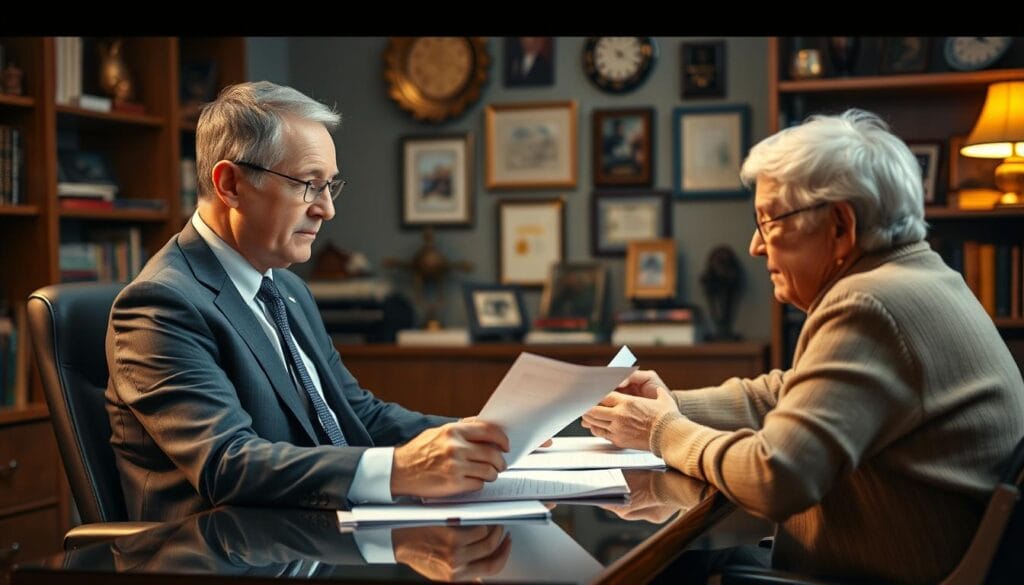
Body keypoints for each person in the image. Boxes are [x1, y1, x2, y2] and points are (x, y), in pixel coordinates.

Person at [582, 109, 1024, 583]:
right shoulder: (920, 278)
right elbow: (790, 394)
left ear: (839, 225)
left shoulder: (870, 304)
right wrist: (673, 405)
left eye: (769, 220)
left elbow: (775, 478)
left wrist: (662, 431)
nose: (755, 245)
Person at [105, 81, 510, 522]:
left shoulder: (286, 288)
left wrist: (481, 438)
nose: (326, 209)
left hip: (314, 539)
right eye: (309, 185)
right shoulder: (160, 305)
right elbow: (228, 464)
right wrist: (398, 470)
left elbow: (355, 414)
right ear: (231, 185)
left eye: (329, 187)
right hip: (223, 555)